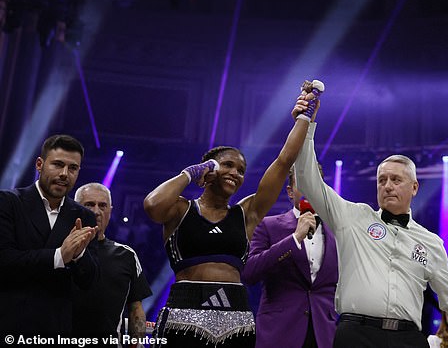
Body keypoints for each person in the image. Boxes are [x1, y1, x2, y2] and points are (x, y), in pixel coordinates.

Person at [293, 97, 448, 348]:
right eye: (382, 180)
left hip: (407, 339)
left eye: (396, 180)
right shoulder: (352, 216)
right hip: (356, 334)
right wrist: (306, 124)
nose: (387, 186)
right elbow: (306, 178)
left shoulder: (431, 242)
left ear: (415, 187)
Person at [144, 80, 324, 347]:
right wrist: (191, 173)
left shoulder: (246, 213)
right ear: (209, 168)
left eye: (240, 170)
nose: (235, 174)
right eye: (227, 165)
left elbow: (284, 160)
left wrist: (304, 117)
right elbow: (152, 205)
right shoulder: (181, 209)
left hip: (236, 319)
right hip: (183, 314)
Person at [0, 134, 98, 336]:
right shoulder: (8, 202)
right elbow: (5, 260)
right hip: (9, 325)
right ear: (39, 164)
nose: (64, 174)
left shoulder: (84, 216)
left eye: (72, 168)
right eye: (58, 165)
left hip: (56, 330)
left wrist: (79, 255)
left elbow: (89, 281)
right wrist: (60, 256)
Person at [243, 164, 339, 348]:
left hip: (323, 335)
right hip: (279, 332)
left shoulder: (337, 232)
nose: (310, 188)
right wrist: (294, 239)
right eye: (302, 183)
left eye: (315, 183)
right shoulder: (268, 226)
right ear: (290, 191)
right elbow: (249, 272)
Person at [73, 182, 152, 346]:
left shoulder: (126, 255)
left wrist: (136, 344)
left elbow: (136, 308)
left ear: (110, 211)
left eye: (102, 205)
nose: (96, 211)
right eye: (89, 205)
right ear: (75, 208)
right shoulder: (60, 251)